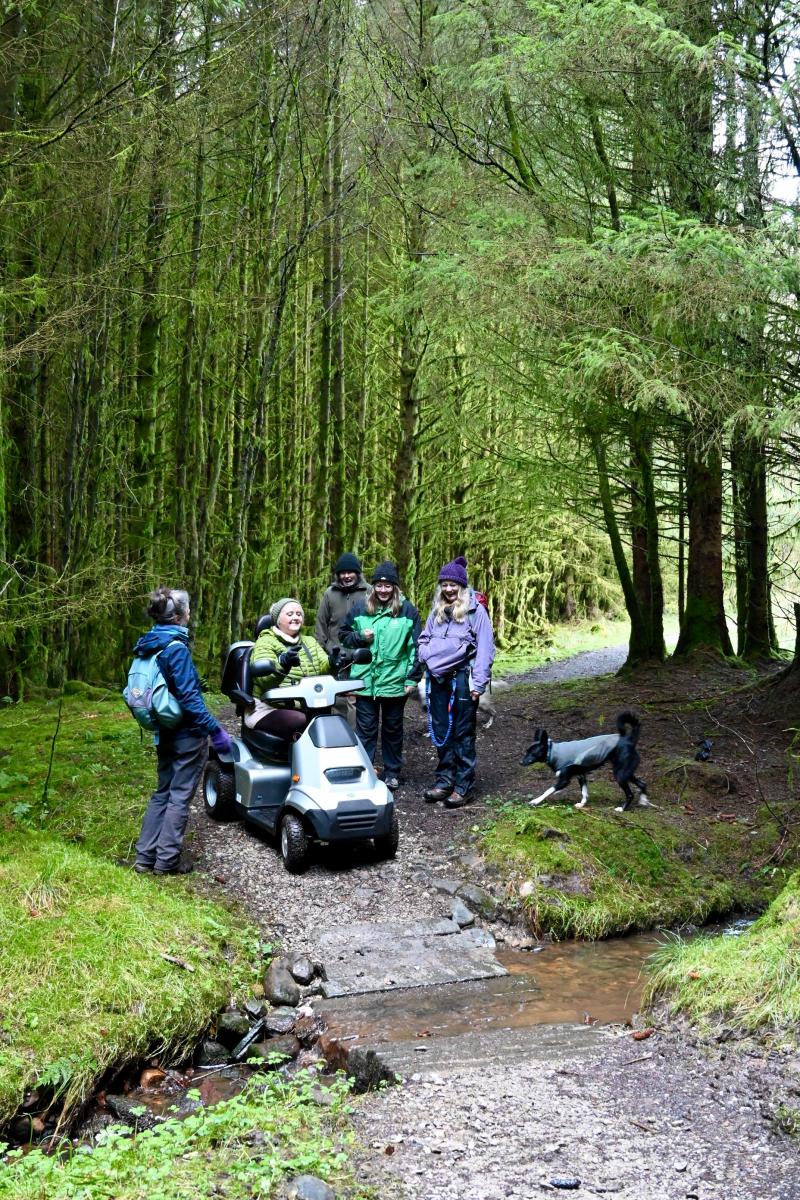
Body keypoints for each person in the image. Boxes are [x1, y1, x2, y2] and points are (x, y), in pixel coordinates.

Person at [134, 586, 232, 876]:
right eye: (188, 609)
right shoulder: (175, 648)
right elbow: (190, 699)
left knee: (162, 791)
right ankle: (167, 861)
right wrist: (215, 731)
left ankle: (145, 857)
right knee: (178, 794)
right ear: (180, 616)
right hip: (187, 734)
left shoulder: (149, 644)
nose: (190, 613)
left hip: (163, 730)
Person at [418, 556, 495, 808]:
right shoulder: (436, 612)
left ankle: (463, 786)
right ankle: (444, 781)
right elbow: (423, 639)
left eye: (453, 585)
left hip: (462, 680)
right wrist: (426, 656)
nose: (448, 590)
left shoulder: (476, 612)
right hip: (438, 680)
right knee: (441, 731)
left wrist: (479, 684)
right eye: (444, 585)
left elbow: (485, 648)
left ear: (462, 586)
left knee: (462, 734)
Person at [339, 561, 421, 790]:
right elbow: (344, 635)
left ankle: (392, 772)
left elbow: (416, 647)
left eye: (388, 586)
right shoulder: (359, 608)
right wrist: (360, 638)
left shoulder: (407, 610)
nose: (383, 590)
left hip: (395, 682)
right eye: (379, 585)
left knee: (393, 730)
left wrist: (412, 678)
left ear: (394, 587)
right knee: (365, 729)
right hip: (366, 681)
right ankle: (364, 771)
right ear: (373, 587)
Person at [247, 597, 330, 740]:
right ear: (278, 619)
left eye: (299, 614)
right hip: (268, 708)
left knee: (328, 722)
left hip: (307, 705)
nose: (295, 617)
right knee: (300, 720)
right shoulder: (265, 641)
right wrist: (283, 664)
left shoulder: (310, 642)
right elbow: (264, 681)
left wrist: (333, 662)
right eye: (290, 614)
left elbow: (323, 666)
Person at [315, 552, 369, 655]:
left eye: (350, 572)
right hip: (335, 656)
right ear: (338, 575)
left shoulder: (369, 592)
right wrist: (324, 650)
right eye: (342, 573)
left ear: (357, 573)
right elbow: (321, 624)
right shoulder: (330, 593)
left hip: (362, 658)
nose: (346, 576)